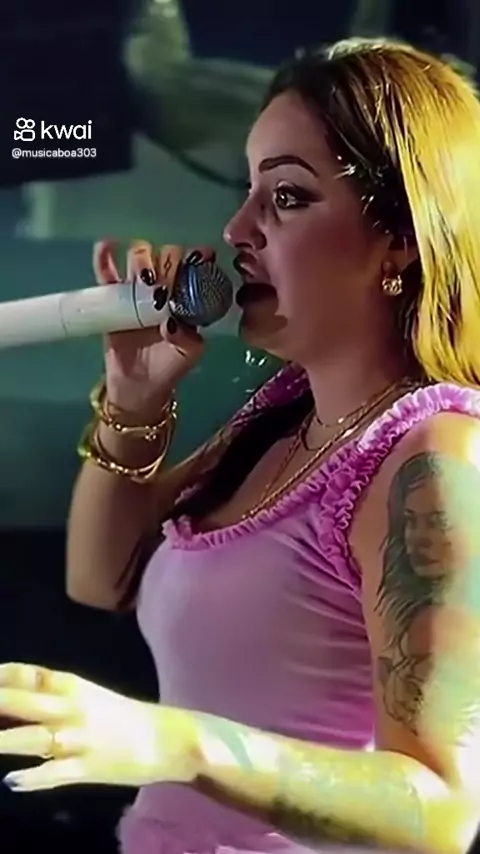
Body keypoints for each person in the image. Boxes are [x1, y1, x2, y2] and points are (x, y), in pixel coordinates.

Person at [1, 34, 480, 854]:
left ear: (401, 236)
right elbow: (100, 578)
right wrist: (135, 395)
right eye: (247, 189)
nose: (237, 228)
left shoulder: (436, 460)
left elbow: (439, 811)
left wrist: (178, 744)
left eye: (286, 197)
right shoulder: (287, 417)